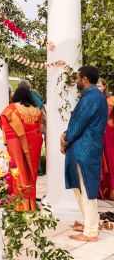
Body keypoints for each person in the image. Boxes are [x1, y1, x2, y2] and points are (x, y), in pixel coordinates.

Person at [60, 66, 108, 242]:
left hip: (84, 148)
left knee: (86, 189)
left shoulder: (90, 98)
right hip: (86, 147)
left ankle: (91, 232)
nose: (76, 81)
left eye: (78, 78)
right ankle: (90, 223)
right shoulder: (96, 96)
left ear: (85, 79)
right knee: (82, 189)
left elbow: (78, 123)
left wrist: (65, 139)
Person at [0, 87, 43, 211]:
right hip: (33, 144)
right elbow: (39, 128)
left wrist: (7, 142)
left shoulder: (11, 109)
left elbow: (5, 123)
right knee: (31, 171)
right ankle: (30, 203)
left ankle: (19, 204)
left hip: (16, 143)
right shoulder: (37, 110)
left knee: (18, 170)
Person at [97, 78, 114, 201]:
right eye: (96, 85)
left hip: (109, 132)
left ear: (104, 87)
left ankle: (110, 190)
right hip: (97, 131)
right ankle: (99, 190)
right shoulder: (93, 99)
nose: (98, 88)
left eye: (99, 86)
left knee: (109, 157)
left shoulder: (110, 100)